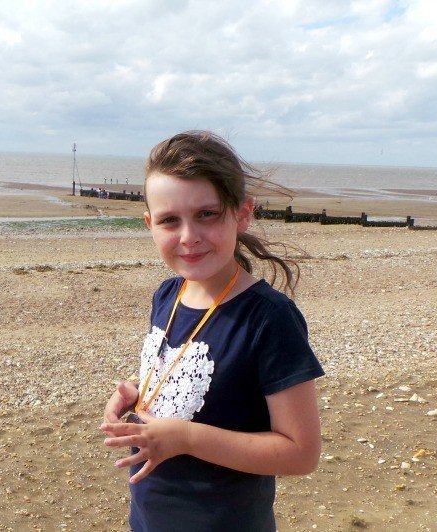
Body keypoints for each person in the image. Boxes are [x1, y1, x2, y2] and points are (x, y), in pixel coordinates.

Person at [100, 130, 324, 531]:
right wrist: (135, 402)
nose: (189, 237)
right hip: (151, 518)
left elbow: (300, 454)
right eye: (170, 221)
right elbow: (194, 386)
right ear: (149, 224)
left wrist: (187, 439)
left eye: (207, 214)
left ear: (242, 212)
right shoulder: (168, 293)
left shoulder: (269, 318)